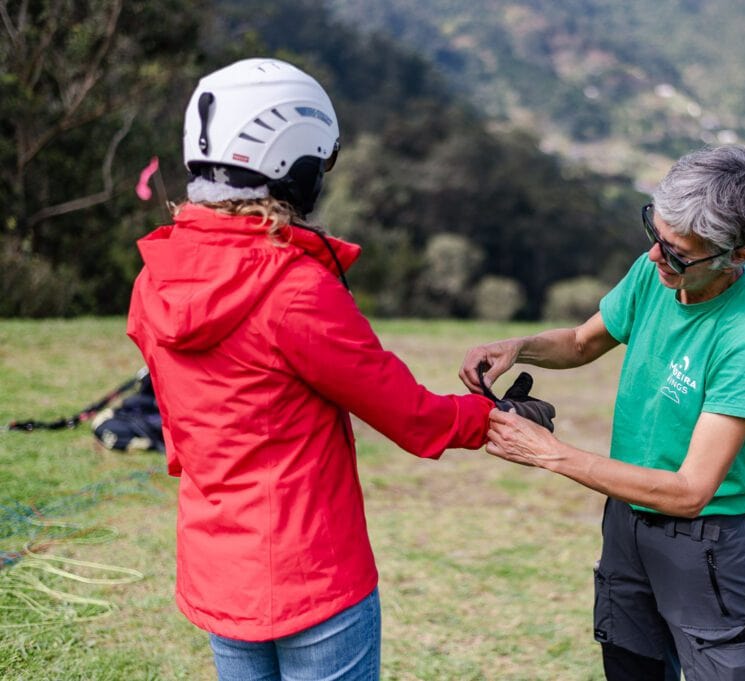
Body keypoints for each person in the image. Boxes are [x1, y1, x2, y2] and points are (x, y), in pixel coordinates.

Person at [126, 58, 552, 681]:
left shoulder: (153, 277)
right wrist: (494, 416)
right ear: (293, 166)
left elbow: (180, 426)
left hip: (219, 567)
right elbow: (409, 415)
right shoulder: (293, 288)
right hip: (312, 573)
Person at [460, 145, 745, 681]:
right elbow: (581, 342)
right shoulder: (654, 273)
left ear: (739, 254)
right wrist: (517, 346)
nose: (658, 257)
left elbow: (689, 491)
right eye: (655, 235)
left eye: (679, 252)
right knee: (630, 668)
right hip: (626, 524)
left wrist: (549, 453)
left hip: (705, 544)